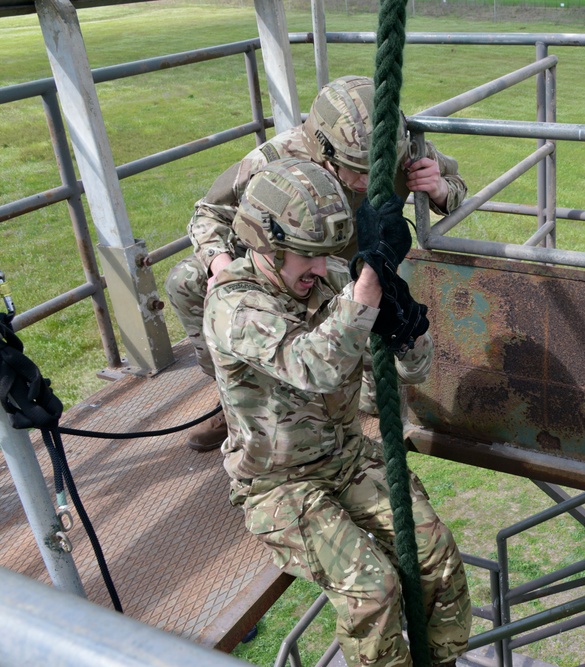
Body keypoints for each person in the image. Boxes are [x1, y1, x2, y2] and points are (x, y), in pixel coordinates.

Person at [203, 157, 471, 666]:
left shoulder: (326, 284)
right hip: (278, 484)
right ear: (266, 244)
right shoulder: (233, 306)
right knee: (371, 589)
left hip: (343, 457)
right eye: (307, 257)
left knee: (435, 554)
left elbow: (408, 372)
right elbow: (314, 366)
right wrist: (367, 287)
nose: (322, 269)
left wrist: (407, 333)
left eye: (325, 256)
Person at [167, 74, 467, 451]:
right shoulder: (277, 159)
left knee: (376, 393)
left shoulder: (398, 146)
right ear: (322, 149)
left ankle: (329, 391)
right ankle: (233, 395)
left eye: (375, 169)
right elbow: (209, 212)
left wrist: (439, 189)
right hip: (284, 273)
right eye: (355, 169)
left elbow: (456, 185)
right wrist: (221, 267)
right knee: (187, 279)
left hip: (352, 280)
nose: (366, 179)